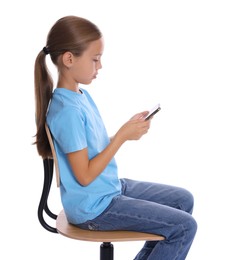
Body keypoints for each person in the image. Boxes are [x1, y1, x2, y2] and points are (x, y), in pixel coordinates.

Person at [34, 15, 197, 260]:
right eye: (95, 59)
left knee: (183, 200)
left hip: (107, 188)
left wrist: (127, 131)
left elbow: (90, 149)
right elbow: (85, 175)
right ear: (69, 59)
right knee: (184, 227)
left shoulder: (80, 96)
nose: (99, 67)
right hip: (94, 207)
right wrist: (121, 137)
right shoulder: (67, 111)